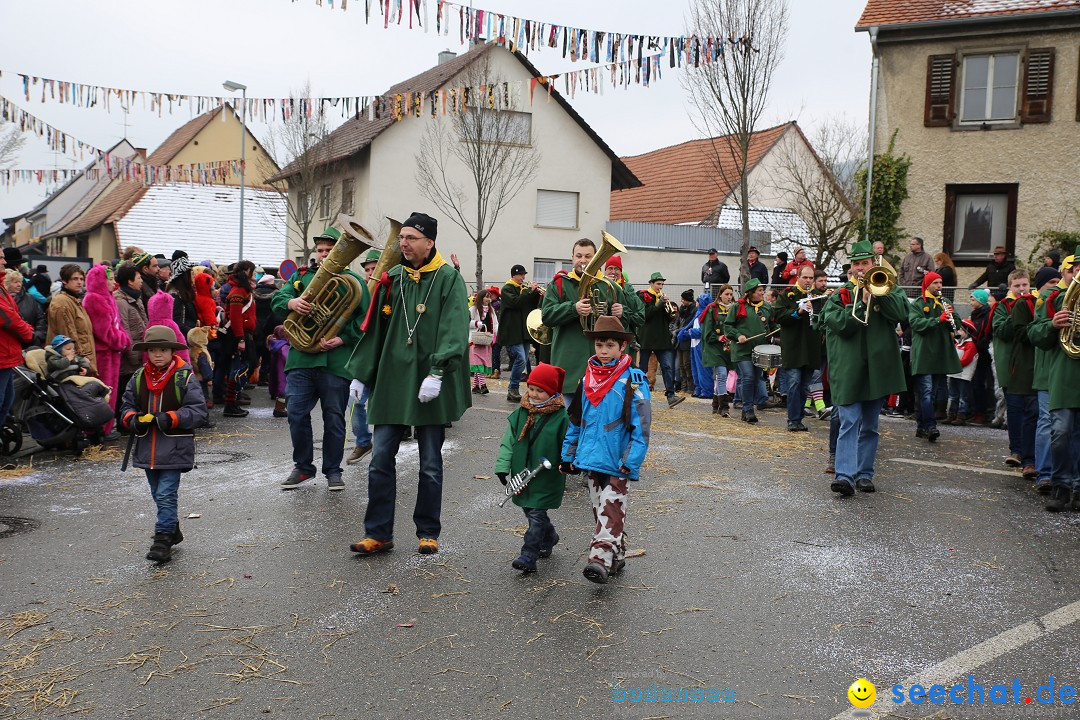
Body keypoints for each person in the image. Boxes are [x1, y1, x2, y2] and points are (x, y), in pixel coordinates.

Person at [347, 212, 470, 556]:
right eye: (401, 238)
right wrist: (362, 372)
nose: (403, 243)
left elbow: (455, 328)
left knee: (430, 463)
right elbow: (375, 328)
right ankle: (378, 533)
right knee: (380, 458)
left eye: (411, 238)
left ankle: (428, 532)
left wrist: (438, 370)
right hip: (392, 380)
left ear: (429, 242)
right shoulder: (393, 278)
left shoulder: (448, 278)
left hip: (430, 380)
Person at [272, 229, 368, 490]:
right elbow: (278, 300)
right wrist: (292, 304)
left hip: (335, 362)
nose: (324, 255)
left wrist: (343, 338)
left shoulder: (354, 281)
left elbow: (365, 321)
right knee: (296, 414)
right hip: (302, 359)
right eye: (321, 251)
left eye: (330, 250)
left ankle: (333, 471)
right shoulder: (301, 278)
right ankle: (303, 467)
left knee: (334, 419)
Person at [560, 315, 651, 584]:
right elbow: (576, 420)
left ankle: (598, 559)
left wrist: (631, 459)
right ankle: (615, 557)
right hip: (590, 457)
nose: (603, 351)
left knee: (611, 509)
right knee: (601, 510)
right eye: (599, 345)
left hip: (617, 459)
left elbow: (642, 424)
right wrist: (568, 454)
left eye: (610, 345)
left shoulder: (634, 379)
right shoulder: (586, 379)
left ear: (622, 347)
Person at [820, 240, 909, 496]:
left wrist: (879, 295)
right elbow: (840, 325)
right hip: (848, 370)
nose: (861, 268)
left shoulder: (890, 287)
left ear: (874, 264)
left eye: (865, 263)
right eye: (856, 264)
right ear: (850, 268)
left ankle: (864, 474)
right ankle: (844, 476)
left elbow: (901, 314)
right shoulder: (839, 296)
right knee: (848, 422)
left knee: (870, 425)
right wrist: (860, 303)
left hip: (876, 369)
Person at [119, 325, 208, 563]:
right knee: (158, 493)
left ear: (172, 352)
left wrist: (171, 418)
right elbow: (126, 407)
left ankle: (163, 539)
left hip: (175, 447)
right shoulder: (138, 378)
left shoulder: (184, 376)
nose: (158, 355)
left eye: (163, 350)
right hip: (147, 448)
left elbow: (198, 412)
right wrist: (132, 420)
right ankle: (173, 528)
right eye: (153, 350)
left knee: (167, 494)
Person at [494, 362, 570, 574]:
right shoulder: (521, 413)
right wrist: (502, 466)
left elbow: (568, 443)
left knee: (536, 514)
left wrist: (568, 462)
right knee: (531, 511)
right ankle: (550, 536)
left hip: (547, 476)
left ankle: (529, 554)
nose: (534, 395)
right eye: (531, 389)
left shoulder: (561, 417)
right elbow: (508, 442)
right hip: (523, 473)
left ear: (552, 392)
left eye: (540, 391)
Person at [1027, 251, 1080, 512]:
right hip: (1064, 375)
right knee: (1060, 432)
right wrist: (1052, 325)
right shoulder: (1052, 298)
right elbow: (1035, 334)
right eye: (1076, 269)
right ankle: (1061, 486)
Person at [542, 239, 626, 399]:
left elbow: (628, 324)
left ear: (596, 258)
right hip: (569, 362)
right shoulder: (560, 284)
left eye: (588, 256)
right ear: (572, 258)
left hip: (604, 364)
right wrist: (573, 308)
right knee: (569, 419)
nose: (583, 260)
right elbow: (546, 315)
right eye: (578, 256)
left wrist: (622, 312)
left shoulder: (611, 286)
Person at [909, 271, 961, 443]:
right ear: (928, 285)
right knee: (926, 392)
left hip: (941, 353)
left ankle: (921, 426)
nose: (939, 286)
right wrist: (938, 319)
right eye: (935, 283)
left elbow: (958, 325)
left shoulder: (945, 302)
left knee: (934, 392)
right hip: (925, 353)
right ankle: (930, 426)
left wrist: (953, 317)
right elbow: (916, 324)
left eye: (940, 283)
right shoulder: (918, 303)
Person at [998, 269, 1039, 480]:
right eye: (1017, 286)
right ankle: (1016, 450)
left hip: (1030, 366)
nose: (1022, 289)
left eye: (1024, 285)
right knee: (1015, 410)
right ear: (1011, 288)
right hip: (1010, 367)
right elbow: (1001, 331)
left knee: (1032, 411)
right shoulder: (1003, 307)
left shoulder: (1035, 302)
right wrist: (1016, 312)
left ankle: (1028, 455)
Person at [82, 265, 131, 436]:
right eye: (109, 279)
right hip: (103, 354)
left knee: (111, 390)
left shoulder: (107, 297)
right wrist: (122, 341)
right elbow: (103, 330)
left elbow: (117, 325)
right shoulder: (94, 299)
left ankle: (105, 428)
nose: (113, 282)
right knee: (104, 391)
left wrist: (123, 338)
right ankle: (98, 429)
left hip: (112, 352)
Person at [774, 264, 823, 431]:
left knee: (804, 386)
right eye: (805, 278)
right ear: (798, 277)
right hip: (794, 346)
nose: (808, 281)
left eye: (811, 278)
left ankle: (799, 418)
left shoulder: (817, 296)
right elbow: (779, 317)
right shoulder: (788, 294)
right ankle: (792, 419)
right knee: (794, 382)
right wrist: (798, 312)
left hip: (810, 347)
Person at [345, 247, 381, 464]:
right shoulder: (359, 294)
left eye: (373, 268)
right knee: (355, 402)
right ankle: (363, 441)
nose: (369, 273)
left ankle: (384, 451)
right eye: (367, 269)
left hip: (386, 358)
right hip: (364, 358)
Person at [725, 278, 773, 423]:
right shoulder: (737, 307)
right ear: (751, 293)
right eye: (759, 291)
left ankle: (747, 408)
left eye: (763, 290)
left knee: (756, 379)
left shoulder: (767, 307)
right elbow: (728, 326)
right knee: (747, 377)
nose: (762, 293)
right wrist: (738, 335)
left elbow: (772, 325)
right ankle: (748, 408)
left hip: (760, 350)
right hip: (742, 350)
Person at [637, 272, 684, 408]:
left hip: (662, 338)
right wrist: (659, 305)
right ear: (651, 283)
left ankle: (671, 395)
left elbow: (668, 319)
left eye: (662, 284)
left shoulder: (662, 298)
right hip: (647, 337)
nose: (660, 287)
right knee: (643, 368)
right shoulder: (643, 296)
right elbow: (645, 315)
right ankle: (639, 394)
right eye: (658, 284)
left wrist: (671, 312)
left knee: (667, 367)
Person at [0, 252, 34, 431]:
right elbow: (9, 318)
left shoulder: (1, 287)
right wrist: (28, 332)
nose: (4, 262)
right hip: (2, 355)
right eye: (0, 258)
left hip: (6, 354)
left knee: (6, 401)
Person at [498, 264, 541, 403]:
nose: (523, 277)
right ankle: (513, 388)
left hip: (523, 331)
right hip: (512, 331)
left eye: (524, 274)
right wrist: (529, 292)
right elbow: (515, 302)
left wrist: (536, 294)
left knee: (523, 360)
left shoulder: (523, 290)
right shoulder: (507, 289)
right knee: (521, 359)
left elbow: (530, 305)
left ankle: (514, 390)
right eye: (521, 274)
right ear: (514, 275)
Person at [222, 261, 257, 418]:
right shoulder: (238, 291)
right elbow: (235, 318)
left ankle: (233, 401)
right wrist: (240, 339)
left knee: (244, 366)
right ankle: (230, 403)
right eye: (253, 272)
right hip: (238, 336)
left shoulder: (242, 290)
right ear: (247, 271)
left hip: (243, 335)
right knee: (238, 369)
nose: (255, 276)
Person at [47, 264, 96, 375]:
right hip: (71, 365)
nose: (79, 282)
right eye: (75, 279)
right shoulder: (63, 303)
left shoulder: (74, 300)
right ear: (64, 280)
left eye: (81, 279)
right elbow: (67, 338)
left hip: (83, 359)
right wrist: (80, 360)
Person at [114, 262, 148, 419]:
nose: (141, 280)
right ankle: (124, 420)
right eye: (139, 277)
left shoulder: (135, 297)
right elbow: (124, 330)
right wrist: (134, 355)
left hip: (138, 354)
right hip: (129, 358)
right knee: (125, 390)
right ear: (130, 281)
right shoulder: (121, 301)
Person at [701, 284, 734, 415]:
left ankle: (715, 403)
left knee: (721, 376)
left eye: (731, 294)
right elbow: (707, 331)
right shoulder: (712, 309)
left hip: (728, 347)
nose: (729, 297)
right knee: (722, 375)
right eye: (726, 294)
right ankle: (724, 406)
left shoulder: (733, 309)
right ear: (720, 295)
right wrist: (718, 337)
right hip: (714, 346)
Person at [967, 289, 995, 424]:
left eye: (973, 300)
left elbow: (986, 334)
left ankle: (983, 413)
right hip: (976, 352)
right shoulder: (975, 314)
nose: (971, 302)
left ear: (980, 301)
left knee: (983, 384)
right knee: (975, 383)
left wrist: (977, 346)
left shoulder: (987, 315)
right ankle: (975, 411)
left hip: (983, 354)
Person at [945, 319, 978, 425]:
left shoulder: (970, 346)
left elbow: (966, 359)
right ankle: (951, 414)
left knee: (963, 396)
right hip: (954, 374)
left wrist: (953, 364)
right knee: (953, 395)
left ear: (967, 332)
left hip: (964, 375)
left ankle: (961, 415)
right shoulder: (957, 344)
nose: (957, 332)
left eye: (960, 330)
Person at [467, 288, 499, 395]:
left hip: (486, 340)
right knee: (478, 363)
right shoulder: (473, 309)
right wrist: (476, 323)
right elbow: (465, 321)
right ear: (481, 298)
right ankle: (483, 384)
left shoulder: (491, 310)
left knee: (482, 363)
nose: (488, 299)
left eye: (489, 297)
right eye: (486, 297)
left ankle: (475, 386)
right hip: (475, 341)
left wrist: (496, 334)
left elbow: (495, 323)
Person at [4, 271, 46, 348]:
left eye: (20, 282)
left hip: (30, 343)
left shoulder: (30, 298)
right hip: (9, 345)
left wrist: (37, 335)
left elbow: (40, 318)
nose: (19, 285)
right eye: (15, 282)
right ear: (7, 283)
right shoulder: (3, 300)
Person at [167, 257, 198, 339]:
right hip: (181, 340)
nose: (194, 275)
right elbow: (176, 322)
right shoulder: (175, 297)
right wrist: (193, 333)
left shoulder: (184, 293)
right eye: (191, 272)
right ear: (185, 276)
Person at [676, 289, 697, 396]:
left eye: (683, 299)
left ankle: (690, 387)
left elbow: (690, 324)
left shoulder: (693, 310)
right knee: (681, 365)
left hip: (687, 340)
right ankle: (684, 387)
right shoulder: (682, 309)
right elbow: (679, 321)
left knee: (687, 364)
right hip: (680, 340)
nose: (681, 301)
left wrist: (681, 331)